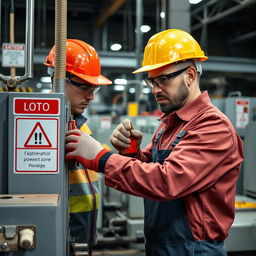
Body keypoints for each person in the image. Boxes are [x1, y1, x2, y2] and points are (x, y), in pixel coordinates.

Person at [65, 29, 244, 256]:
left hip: (194, 250)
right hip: (160, 244)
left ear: (190, 75)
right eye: (152, 82)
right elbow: (151, 169)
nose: (156, 90)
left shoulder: (213, 127)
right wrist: (132, 153)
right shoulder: (171, 122)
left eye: (163, 80)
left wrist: (101, 158)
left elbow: (167, 181)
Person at [44, 39, 112, 249]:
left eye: (94, 89)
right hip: (62, 230)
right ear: (58, 79)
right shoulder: (47, 128)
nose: (91, 96)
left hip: (83, 230)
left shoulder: (79, 124)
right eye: (84, 86)